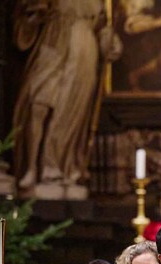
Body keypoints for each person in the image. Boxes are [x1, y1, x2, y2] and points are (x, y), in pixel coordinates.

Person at [12, 0, 121, 192]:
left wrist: (109, 41)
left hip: (84, 50)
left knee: (70, 113)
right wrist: (33, 18)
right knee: (37, 103)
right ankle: (30, 167)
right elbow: (25, 19)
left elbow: (102, 28)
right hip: (52, 45)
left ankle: (55, 170)